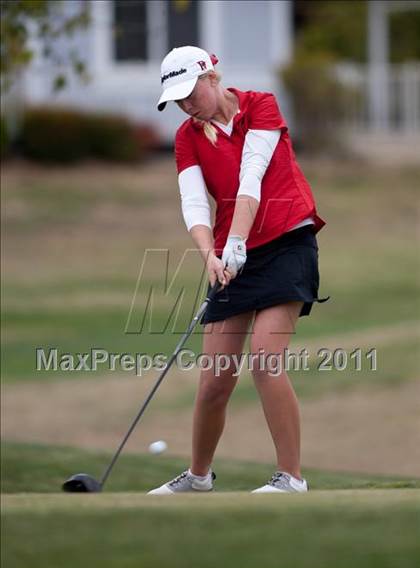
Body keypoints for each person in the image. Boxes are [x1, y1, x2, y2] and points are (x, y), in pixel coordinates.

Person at [148, 46, 329, 495]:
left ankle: (291, 478)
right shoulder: (187, 137)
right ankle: (198, 477)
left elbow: (252, 177)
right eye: (178, 99)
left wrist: (234, 244)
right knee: (213, 383)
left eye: (191, 92)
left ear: (212, 77)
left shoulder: (260, 105)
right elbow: (193, 202)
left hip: (287, 241)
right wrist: (210, 254)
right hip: (232, 255)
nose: (187, 104)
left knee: (266, 362)